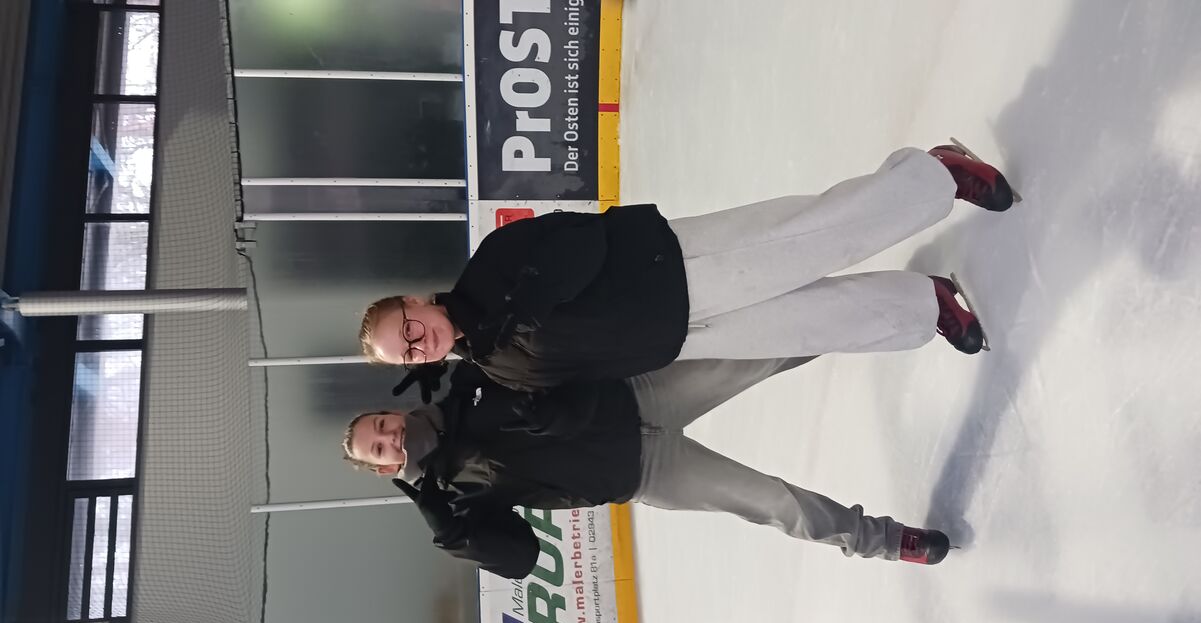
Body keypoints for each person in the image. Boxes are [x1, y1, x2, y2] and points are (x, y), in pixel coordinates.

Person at [358, 143, 1014, 397]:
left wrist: (520, 303)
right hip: (681, 337)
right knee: (818, 323)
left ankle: (934, 175)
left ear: (416, 302)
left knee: (819, 237)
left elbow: (581, 241)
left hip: (675, 268)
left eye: (407, 329)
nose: (419, 344)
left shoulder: (490, 267)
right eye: (407, 353)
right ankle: (925, 305)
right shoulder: (493, 366)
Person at [340, 358, 952, 580]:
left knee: (765, 353)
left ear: (390, 411)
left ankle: (894, 310)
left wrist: (458, 355)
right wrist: (453, 533)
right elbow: (521, 559)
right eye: (380, 448)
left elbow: (525, 348)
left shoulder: (464, 387)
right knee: (776, 505)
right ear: (383, 469)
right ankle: (886, 541)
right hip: (645, 473)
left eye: (382, 425)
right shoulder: (457, 500)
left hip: (642, 395)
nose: (391, 437)